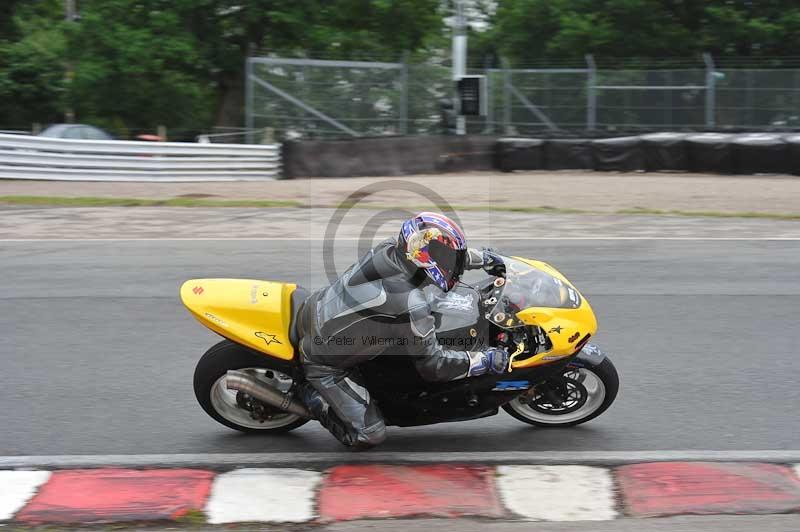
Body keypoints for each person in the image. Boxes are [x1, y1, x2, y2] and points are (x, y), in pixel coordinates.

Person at [296, 212, 509, 448]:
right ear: (424, 256)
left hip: (317, 308)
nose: (452, 263)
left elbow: (442, 257)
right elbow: (434, 366)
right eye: (446, 257)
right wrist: (483, 361)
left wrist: (486, 259)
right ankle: (311, 396)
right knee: (370, 435)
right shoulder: (409, 302)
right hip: (323, 361)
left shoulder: (391, 249)